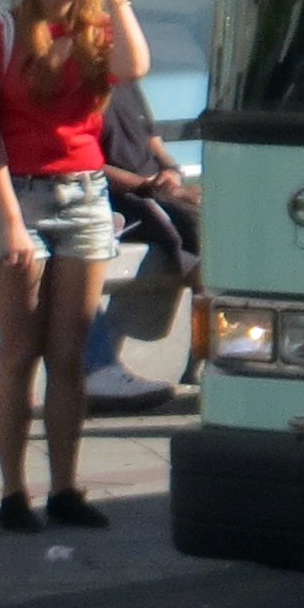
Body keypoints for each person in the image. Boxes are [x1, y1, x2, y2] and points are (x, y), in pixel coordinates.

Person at [0, 0, 153, 531]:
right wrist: (12, 221)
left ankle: (65, 488)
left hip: (86, 197)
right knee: (19, 351)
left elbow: (135, 65)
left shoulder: (94, 28)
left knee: (69, 354)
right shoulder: (1, 29)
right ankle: (13, 493)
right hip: (13, 195)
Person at [95, 79, 203, 392]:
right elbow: (88, 163)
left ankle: (198, 359)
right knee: (191, 236)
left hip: (157, 188)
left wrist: (171, 169)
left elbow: (151, 136)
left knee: (214, 221)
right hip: (122, 197)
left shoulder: (126, 83)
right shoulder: (84, 85)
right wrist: (146, 185)